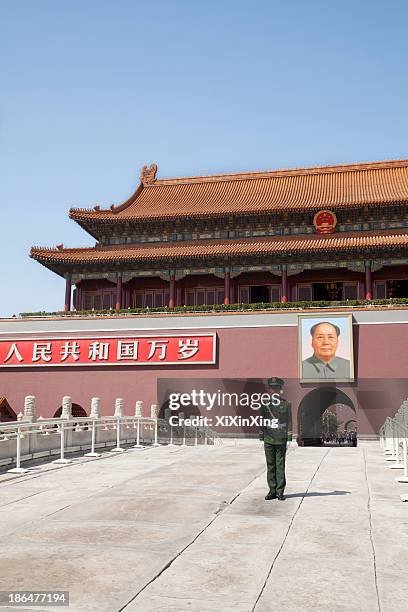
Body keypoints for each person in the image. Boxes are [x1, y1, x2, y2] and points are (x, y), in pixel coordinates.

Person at [259, 377, 292, 501]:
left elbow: (289, 421)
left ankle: (280, 491)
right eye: (272, 388)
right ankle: (272, 490)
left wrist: (289, 438)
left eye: (276, 388)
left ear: (280, 389)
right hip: (268, 438)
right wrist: (261, 438)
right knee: (270, 465)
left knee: (280, 465)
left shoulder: (286, 404)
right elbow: (261, 421)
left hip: (281, 438)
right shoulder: (264, 404)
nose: (274, 390)